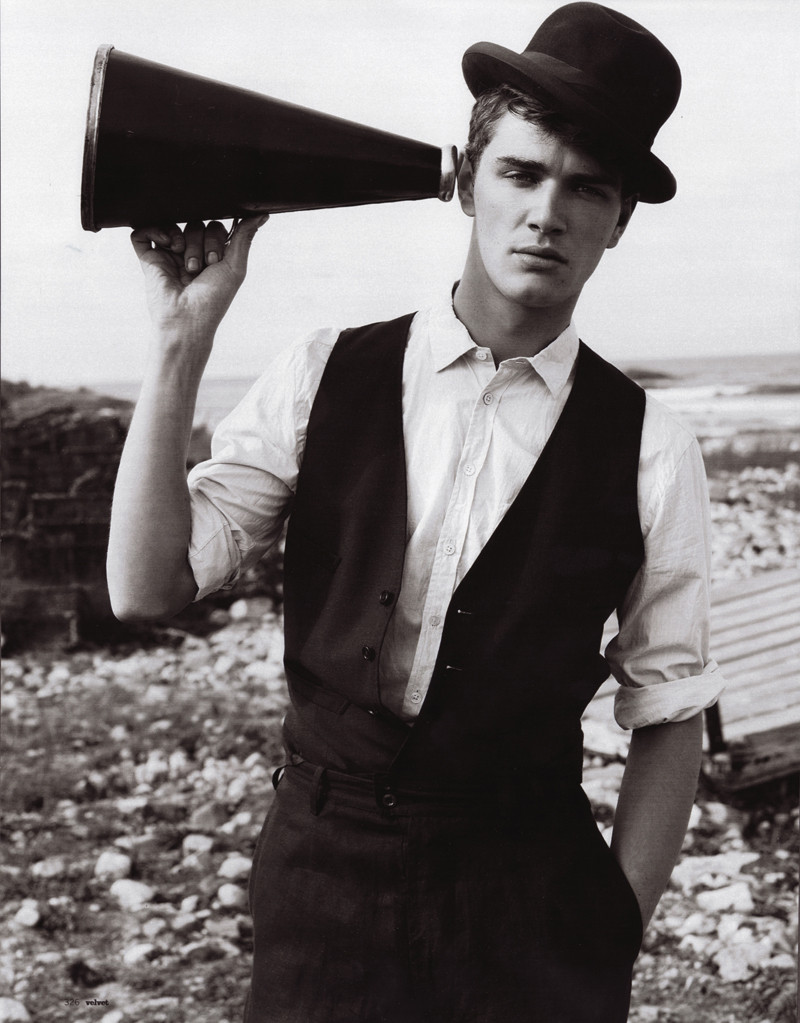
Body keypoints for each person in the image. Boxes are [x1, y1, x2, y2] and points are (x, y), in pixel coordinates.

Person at [107, 4, 725, 1021]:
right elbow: (144, 586)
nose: (546, 213)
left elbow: (668, 710)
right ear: (466, 182)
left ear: (618, 220)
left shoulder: (651, 444)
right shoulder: (323, 372)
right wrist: (178, 341)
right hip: (322, 891)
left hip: (532, 908)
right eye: (521, 173)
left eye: (585, 188)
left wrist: (615, 922)